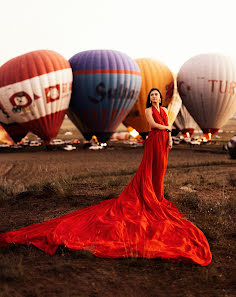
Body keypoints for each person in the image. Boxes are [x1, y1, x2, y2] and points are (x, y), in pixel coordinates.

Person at [0, 88, 212, 266]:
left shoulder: (165, 109)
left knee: (160, 171)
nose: (155, 97)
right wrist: (167, 130)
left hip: (164, 141)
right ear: (150, 98)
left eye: (157, 95)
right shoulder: (149, 111)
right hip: (154, 140)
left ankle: (157, 195)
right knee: (148, 171)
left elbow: (165, 126)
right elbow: (154, 127)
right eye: (153, 95)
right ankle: (149, 196)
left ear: (161, 97)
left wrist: (170, 140)